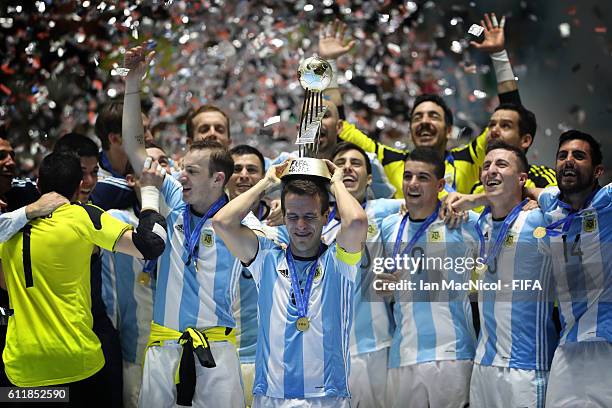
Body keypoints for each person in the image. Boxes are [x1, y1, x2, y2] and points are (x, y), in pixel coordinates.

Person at [121, 45, 250, 407]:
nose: (181, 177)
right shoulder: (177, 200)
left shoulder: (240, 223)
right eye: (182, 170)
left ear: (217, 179)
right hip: (165, 349)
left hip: (218, 354)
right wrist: (133, 83)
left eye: (191, 172)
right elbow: (135, 148)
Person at [0, 151, 166, 405]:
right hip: (77, 361)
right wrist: (151, 194)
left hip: (21, 366)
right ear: (80, 186)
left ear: (38, 184)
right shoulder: (83, 216)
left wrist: (26, 213)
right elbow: (150, 245)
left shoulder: (8, 226)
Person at [213, 156, 368, 407]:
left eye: (310, 216)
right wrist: (266, 182)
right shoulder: (266, 258)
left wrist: (336, 183)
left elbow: (357, 221)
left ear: (326, 215)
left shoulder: (339, 261)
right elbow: (222, 222)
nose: (301, 225)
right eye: (293, 217)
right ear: (283, 217)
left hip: (328, 397)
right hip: (271, 396)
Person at [445, 141, 559, 407]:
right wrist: (474, 200)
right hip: (483, 365)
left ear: (522, 177)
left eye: (501, 164)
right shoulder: (476, 223)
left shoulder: (541, 219)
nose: (490, 171)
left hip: (527, 367)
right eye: (486, 166)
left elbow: (567, 197)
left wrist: (529, 191)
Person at [378, 148, 480, 408]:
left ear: (440, 185)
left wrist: (471, 200)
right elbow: (379, 282)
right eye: (408, 176)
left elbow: (504, 207)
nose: (413, 184)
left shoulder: (463, 221)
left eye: (423, 177)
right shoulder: (390, 225)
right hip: (403, 355)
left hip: (452, 355)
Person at [528, 130, 612, 406]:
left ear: (598, 170)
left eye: (579, 155)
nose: (568, 161)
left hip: (607, 343)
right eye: (562, 156)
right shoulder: (552, 205)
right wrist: (472, 200)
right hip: (567, 346)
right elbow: (532, 189)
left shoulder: (609, 201)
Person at [323, 142, 401, 407]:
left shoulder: (382, 210)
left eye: (355, 163)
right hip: (326, 349)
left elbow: (432, 200)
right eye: (340, 162)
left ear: (369, 178)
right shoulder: (314, 220)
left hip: (374, 345)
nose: (347, 167)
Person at [100, 144, 171, 408]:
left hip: (179, 352)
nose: (159, 169)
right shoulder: (116, 221)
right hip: (132, 351)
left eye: (164, 162)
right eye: (149, 163)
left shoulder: (185, 225)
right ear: (131, 179)